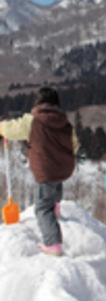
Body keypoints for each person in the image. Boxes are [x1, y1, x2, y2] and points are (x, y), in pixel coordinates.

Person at [0, 87, 77, 256]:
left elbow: (13, 129)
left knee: (42, 208)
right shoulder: (65, 123)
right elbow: (75, 144)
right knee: (56, 184)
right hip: (63, 167)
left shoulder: (33, 121)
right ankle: (56, 207)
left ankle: (53, 243)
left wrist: (2, 127)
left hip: (46, 170)